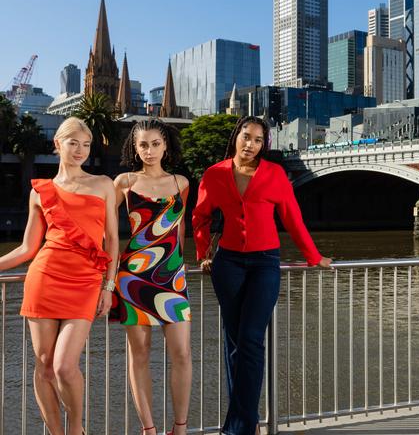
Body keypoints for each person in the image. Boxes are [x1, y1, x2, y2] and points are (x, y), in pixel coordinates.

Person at [192, 116, 332, 435]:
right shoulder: (214, 174)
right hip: (227, 264)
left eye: (257, 140)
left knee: (251, 340)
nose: (250, 144)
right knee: (234, 343)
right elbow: (200, 217)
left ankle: (238, 427)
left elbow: (293, 219)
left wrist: (314, 256)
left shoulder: (275, 174)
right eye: (246, 136)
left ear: (263, 145)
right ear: (236, 137)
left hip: (265, 263)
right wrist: (203, 253)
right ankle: (249, 422)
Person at [0, 116, 118, 435]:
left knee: (64, 366)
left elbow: (113, 239)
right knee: (43, 366)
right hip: (45, 278)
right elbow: (27, 248)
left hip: (86, 282)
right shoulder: (41, 191)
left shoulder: (104, 184)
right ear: (57, 144)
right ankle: (55, 431)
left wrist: (109, 285)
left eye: (86, 144)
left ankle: (76, 429)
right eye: (73, 143)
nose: (80, 150)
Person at [111, 119, 191, 435]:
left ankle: (180, 427)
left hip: (173, 278)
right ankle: (149, 429)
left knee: (182, 353)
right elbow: (102, 225)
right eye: (143, 144)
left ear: (166, 145)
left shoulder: (181, 183)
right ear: (134, 147)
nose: (149, 150)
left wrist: (184, 266)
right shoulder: (124, 182)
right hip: (134, 278)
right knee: (139, 356)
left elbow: (180, 230)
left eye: (155, 143)